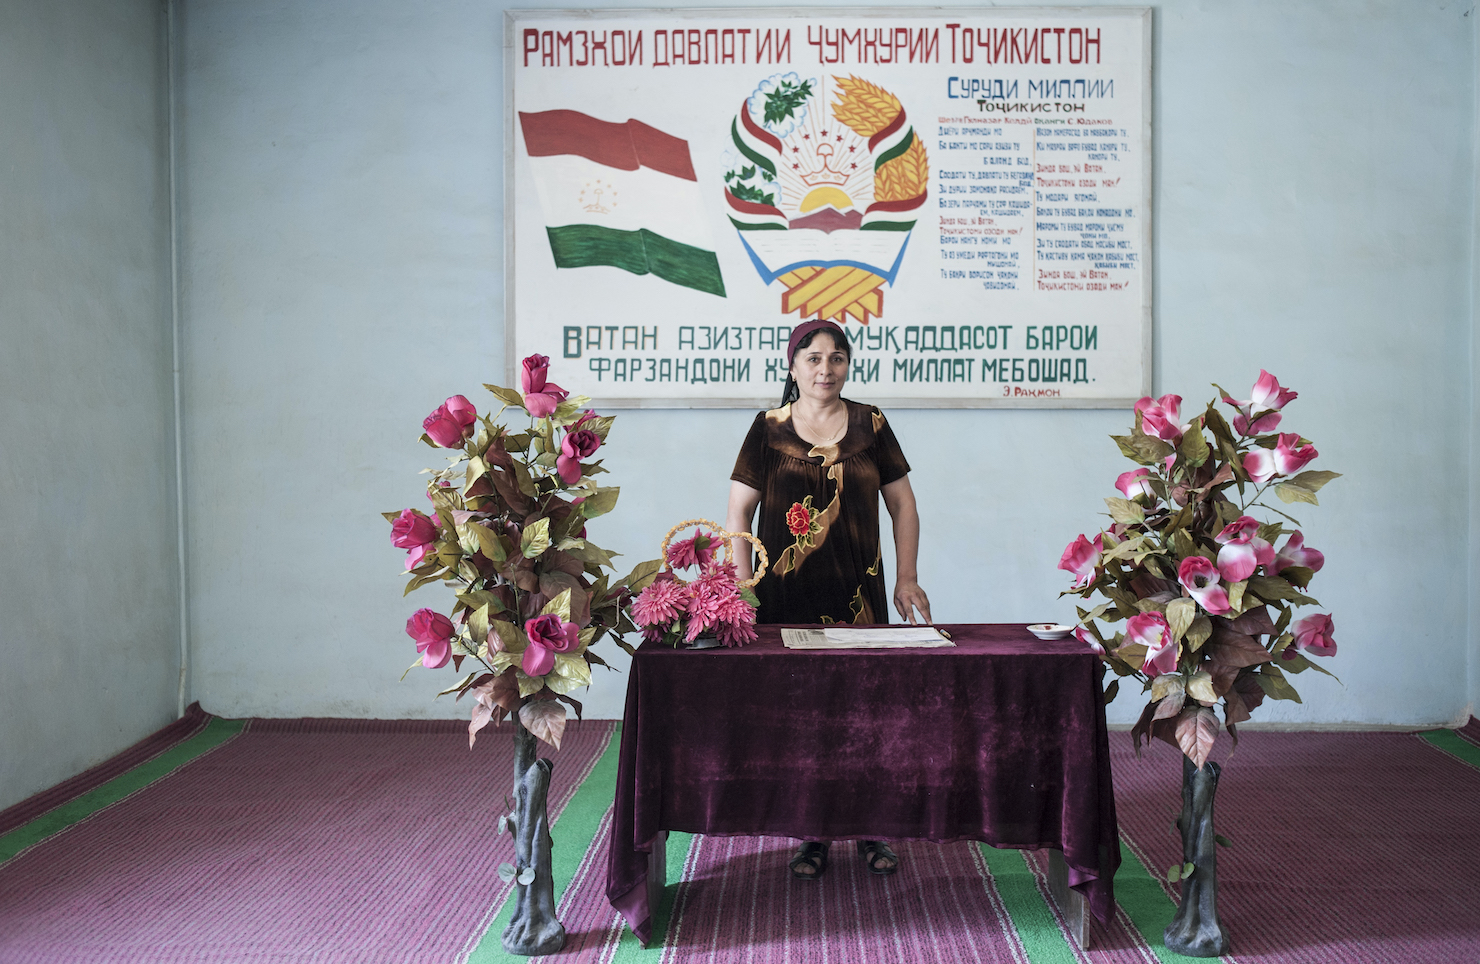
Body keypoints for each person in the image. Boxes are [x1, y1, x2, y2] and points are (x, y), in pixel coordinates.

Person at [726, 318, 931, 881]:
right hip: (783, 594)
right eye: (813, 358)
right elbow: (738, 514)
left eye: (837, 357)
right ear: (792, 366)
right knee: (800, 712)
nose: (826, 369)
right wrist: (743, 592)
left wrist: (907, 577)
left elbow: (903, 506)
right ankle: (810, 834)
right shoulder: (767, 428)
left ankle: (870, 827)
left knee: (863, 709)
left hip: (858, 594)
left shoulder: (872, 423)